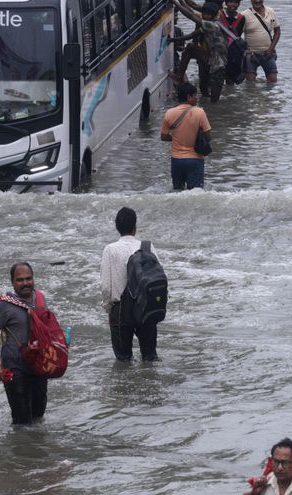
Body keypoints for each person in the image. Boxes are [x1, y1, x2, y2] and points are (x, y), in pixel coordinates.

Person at [0, 262, 49, 424]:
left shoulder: (40, 298)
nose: (26, 283)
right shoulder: (4, 304)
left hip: (39, 366)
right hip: (15, 368)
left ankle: (36, 448)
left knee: (38, 416)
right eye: (20, 280)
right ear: (12, 282)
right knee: (22, 422)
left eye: (29, 278)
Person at [100, 207, 160, 361]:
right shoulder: (148, 247)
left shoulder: (110, 250)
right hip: (146, 307)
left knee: (123, 361)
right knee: (150, 359)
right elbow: (157, 277)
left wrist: (109, 310)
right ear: (135, 227)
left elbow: (106, 287)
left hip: (120, 311)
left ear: (117, 227)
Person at [170, 0, 227, 102]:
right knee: (190, 47)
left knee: (214, 102)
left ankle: (214, 116)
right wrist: (173, 40)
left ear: (214, 16)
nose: (205, 16)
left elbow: (191, 15)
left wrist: (176, 3)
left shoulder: (213, 25)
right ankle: (179, 77)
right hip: (210, 57)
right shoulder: (208, 25)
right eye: (204, 13)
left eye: (208, 15)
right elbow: (191, 35)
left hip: (219, 65)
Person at [160, 82, 212, 190]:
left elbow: (164, 136)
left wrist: (175, 138)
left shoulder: (169, 113)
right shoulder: (200, 112)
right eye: (195, 95)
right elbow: (208, 136)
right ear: (189, 97)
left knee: (177, 192)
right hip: (195, 160)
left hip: (176, 161)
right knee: (195, 195)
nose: (197, 98)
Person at [242, 0, 280, 83]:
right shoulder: (244, 15)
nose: (257, 1)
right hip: (251, 55)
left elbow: (277, 31)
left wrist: (271, 49)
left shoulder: (270, 11)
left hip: (268, 53)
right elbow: (237, 37)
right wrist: (248, 51)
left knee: (273, 81)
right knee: (250, 83)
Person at [220, 0, 246, 85]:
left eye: (236, 2)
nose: (233, 4)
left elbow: (237, 36)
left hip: (232, 53)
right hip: (218, 51)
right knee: (215, 79)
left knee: (230, 82)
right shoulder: (219, 15)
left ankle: (229, 97)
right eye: (231, 2)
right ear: (226, 3)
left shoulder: (241, 18)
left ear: (238, 4)